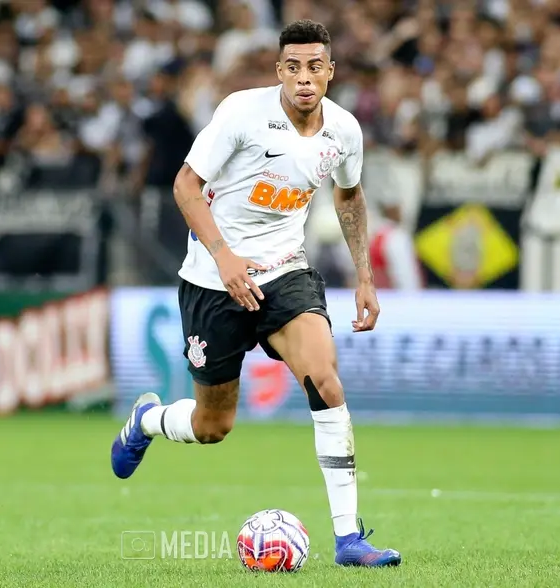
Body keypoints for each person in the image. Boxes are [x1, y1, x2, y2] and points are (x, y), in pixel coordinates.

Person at [110, 19, 401, 568]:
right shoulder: (241, 113)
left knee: (325, 379)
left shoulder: (344, 131)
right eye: (293, 67)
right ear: (279, 71)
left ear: (331, 71)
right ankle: (147, 419)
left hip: (285, 273)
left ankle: (348, 539)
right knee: (212, 426)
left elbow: (349, 196)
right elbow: (185, 185)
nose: (304, 78)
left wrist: (365, 276)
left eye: (314, 66)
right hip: (213, 280)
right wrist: (224, 256)